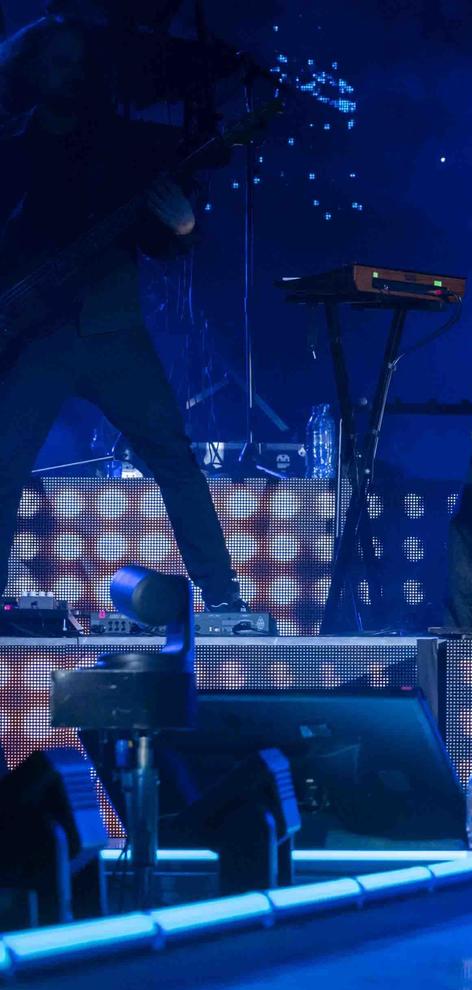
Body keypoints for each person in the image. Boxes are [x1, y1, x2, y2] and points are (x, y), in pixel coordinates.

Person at [0, 17, 243, 610]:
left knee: (174, 458)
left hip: (114, 331)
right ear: (34, 69)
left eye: (78, 61)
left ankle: (225, 599)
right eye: (58, 60)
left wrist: (184, 227)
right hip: (36, 338)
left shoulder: (121, 147)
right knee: (3, 470)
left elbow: (159, 238)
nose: (70, 72)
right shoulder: (10, 146)